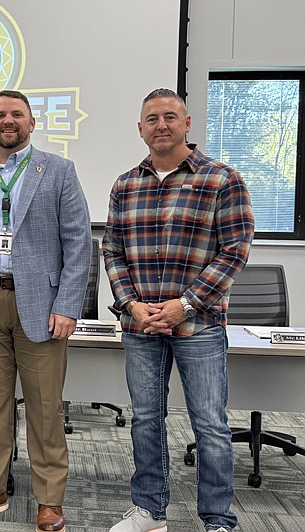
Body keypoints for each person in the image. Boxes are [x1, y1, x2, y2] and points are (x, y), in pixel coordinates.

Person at [102, 88, 254, 532]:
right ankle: (149, 511)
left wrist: (185, 305)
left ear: (187, 123)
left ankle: (218, 519)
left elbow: (235, 251)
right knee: (146, 419)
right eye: (152, 119)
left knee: (209, 426)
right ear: (140, 129)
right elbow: (112, 250)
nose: (161, 125)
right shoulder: (126, 183)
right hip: (141, 325)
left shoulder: (222, 179)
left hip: (199, 325)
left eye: (170, 116)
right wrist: (131, 304)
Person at [0, 89, 91, 532]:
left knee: (45, 407)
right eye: (0, 115)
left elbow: (79, 243)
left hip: (42, 306)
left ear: (31, 122)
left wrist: (68, 305)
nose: (8, 121)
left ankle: (49, 499)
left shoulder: (59, 170)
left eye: (17, 114)